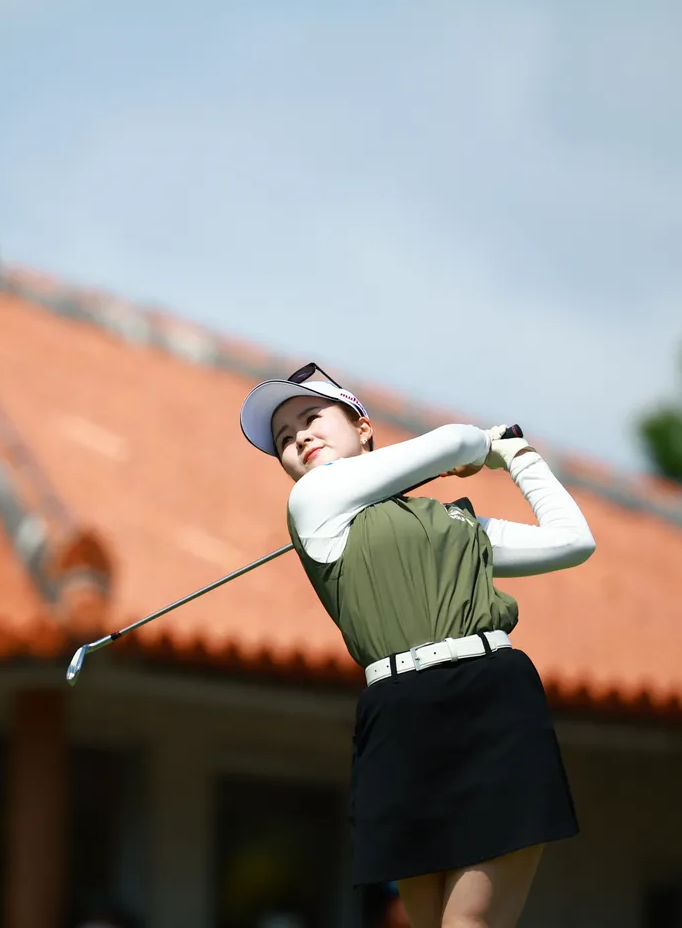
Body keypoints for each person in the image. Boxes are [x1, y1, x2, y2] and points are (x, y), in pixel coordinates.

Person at [239, 365, 596, 928]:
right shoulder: (312, 500)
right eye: (284, 438)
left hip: (489, 696)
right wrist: (485, 445)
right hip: (398, 715)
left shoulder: (454, 523)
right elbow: (455, 441)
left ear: (363, 428)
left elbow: (572, 540)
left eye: (311, 418)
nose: (299, 437)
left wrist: (519, 456)